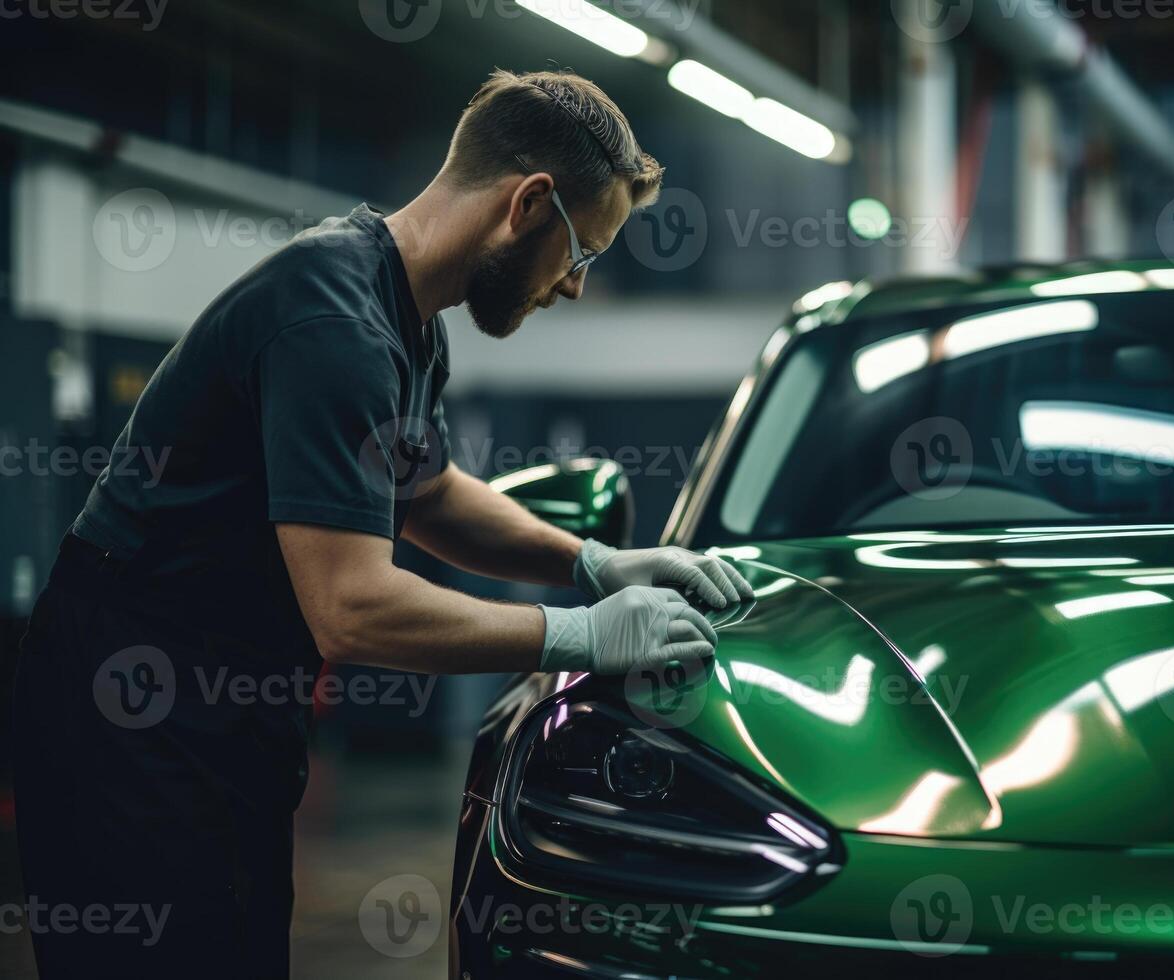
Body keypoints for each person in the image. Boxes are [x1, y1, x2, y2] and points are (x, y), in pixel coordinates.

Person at [9, 68, 752, 977]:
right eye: (583, 255)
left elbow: (429, 494)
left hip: (224, 706)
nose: (573, 288)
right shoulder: (334, 321)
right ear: (528, 203)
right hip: (130, 711)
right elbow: (352, 607)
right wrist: (580, 636)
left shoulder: (406, 319)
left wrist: (597, 563)